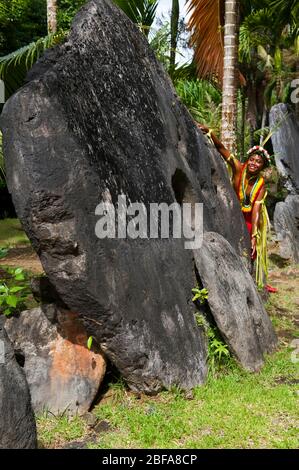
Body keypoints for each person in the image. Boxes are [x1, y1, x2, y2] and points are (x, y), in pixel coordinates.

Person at [197, 123, 276, 292]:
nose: (254, 164)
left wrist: (254, 234)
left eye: (259, 162)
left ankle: (252, 280)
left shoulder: (261, 185)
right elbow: (222, 149)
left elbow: (256, 209)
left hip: (248, 219)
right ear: (249, 160)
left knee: (250, 249)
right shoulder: (239, 168)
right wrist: (210, 131)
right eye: (253, 160)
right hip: (231, 211)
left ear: (263, 166)